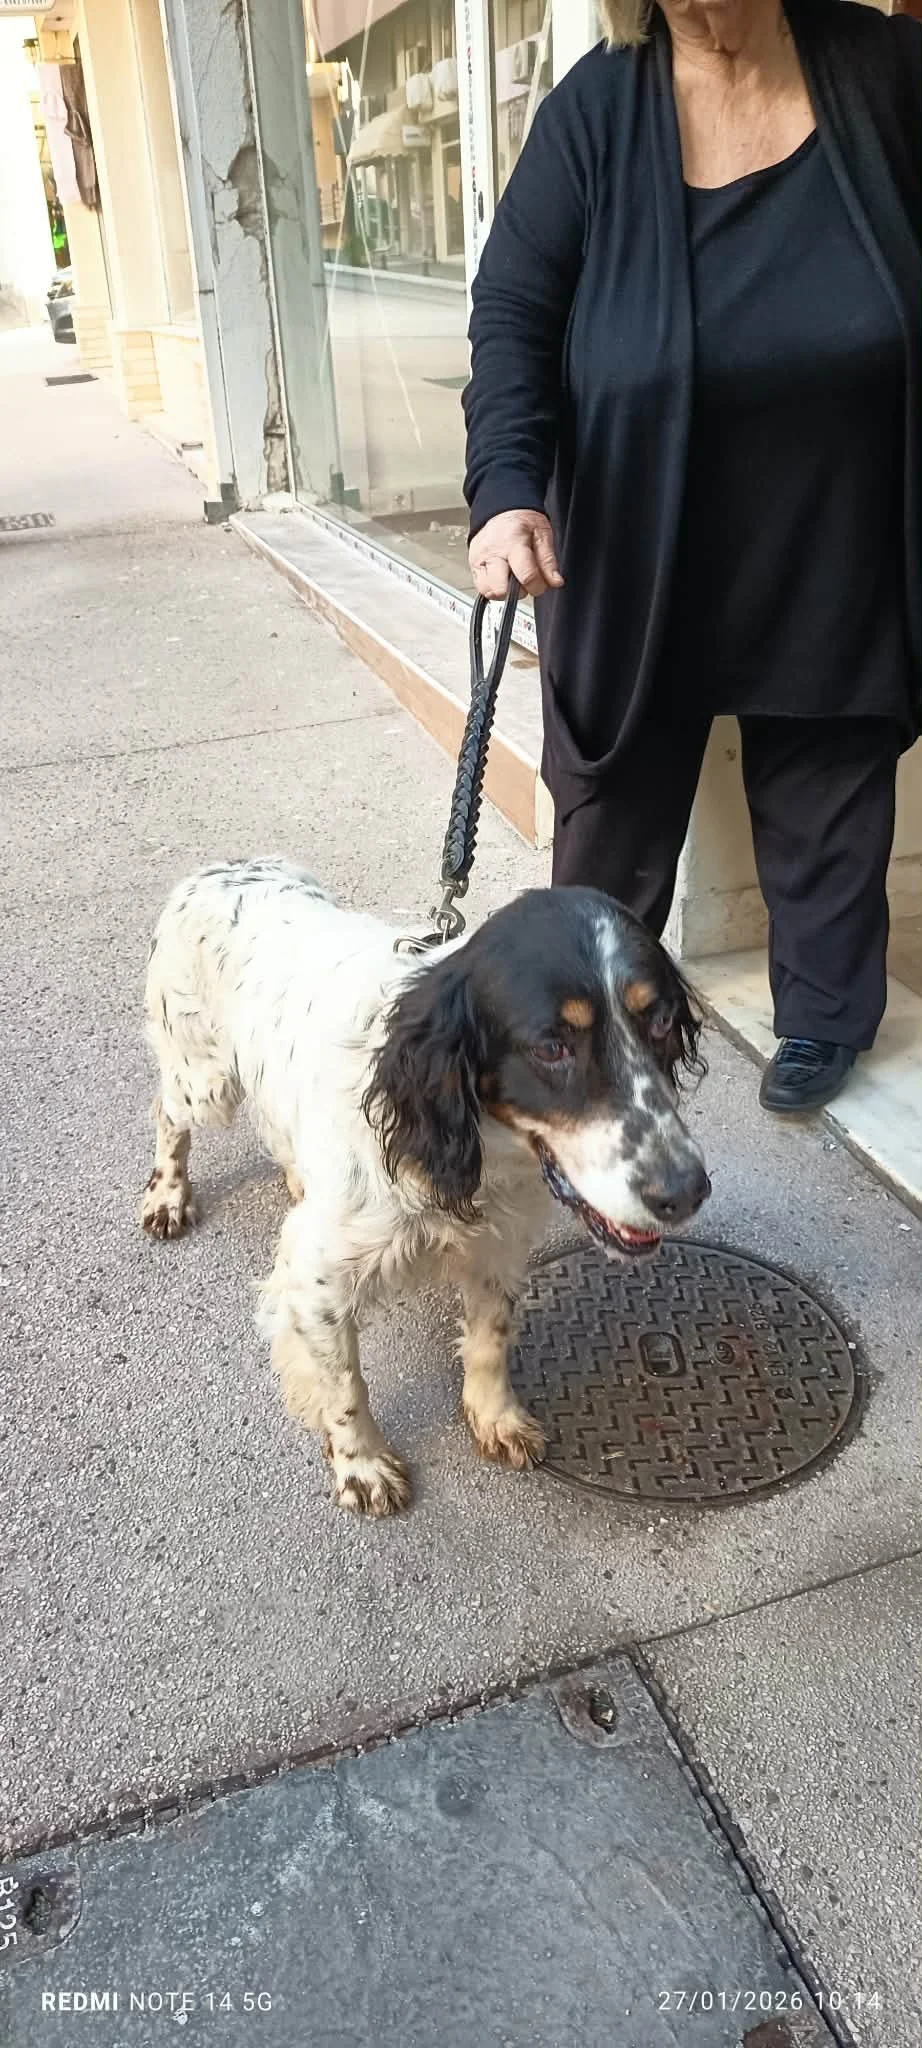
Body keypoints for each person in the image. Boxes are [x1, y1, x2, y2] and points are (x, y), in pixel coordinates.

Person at [463, 0, 921, 1115]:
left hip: (832, 524)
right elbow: (514, 314)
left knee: (829, 773)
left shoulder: (881, 69)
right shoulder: (597, 110)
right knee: (611, 806)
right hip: (635, 537)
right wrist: (505, 491)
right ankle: (572, 1034)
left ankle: (822, 1015)